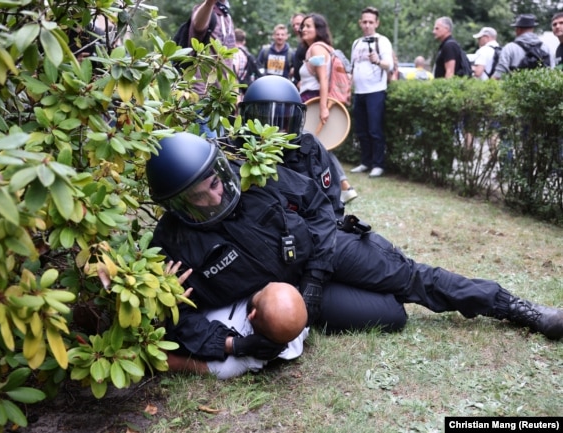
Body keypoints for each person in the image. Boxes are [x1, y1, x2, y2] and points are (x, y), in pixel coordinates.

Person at [146, 132, 563, 374]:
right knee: (391, 317)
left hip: (324, 254)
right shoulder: (175, 244)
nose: (215, 198)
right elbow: (179, 319)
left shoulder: (256, 177)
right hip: (285, 292)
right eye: (198, 199)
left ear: (219, 168)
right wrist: (234, 346)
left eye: (215, 184)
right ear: (177, 206)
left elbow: (320, 209)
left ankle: (517, 308)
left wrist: (313, 281)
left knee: (413, 279)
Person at [238, 75, 355, 210]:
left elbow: (331, 201)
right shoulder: (234, 150)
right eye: (265, 123)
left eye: (283, 123)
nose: (274, 133)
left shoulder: (310, 148)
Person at [166, 281, 310, 379]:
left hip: (182, 308)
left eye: (262, 291)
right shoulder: (292, 321)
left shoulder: (233, 364)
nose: (267, 283)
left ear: (252, 314)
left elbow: (169, 360)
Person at [296, 13, 358, 203]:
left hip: (314, 102)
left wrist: (323, 107)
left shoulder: (316, 49)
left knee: (316, 146)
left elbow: (323, 79)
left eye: (308, 26)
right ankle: (337, 186)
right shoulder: (323, 49)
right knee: (318, 146)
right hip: (313, 100)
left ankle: (343, 185)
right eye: (303, 26)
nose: (303, 29)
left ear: (319, 30)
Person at [349, 6, 393, 178]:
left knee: (375, 130)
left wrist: (378, 61)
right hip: (359, 92)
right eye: (364, 22)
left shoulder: (382, 41)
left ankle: (378, 164)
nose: (367, 25)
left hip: (376, 91)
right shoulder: (356, 43)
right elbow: (353, 68)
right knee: (361, 130)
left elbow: (389, 65)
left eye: (370, 22)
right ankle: (365, 162)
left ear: (377, 23)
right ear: (360, 23)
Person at [188, 0, 235, 138]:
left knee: (219, 150)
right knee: (210, 151)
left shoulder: (227, 16)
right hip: (202, 98)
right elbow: (198, 26)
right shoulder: (203, 10)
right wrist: (209, 4)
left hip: (220, 101)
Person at [493, 14, 552, 79]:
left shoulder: (509, 48)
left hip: (515, 88)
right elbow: (552, 71)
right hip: (541, 88)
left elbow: (499, 74)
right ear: (532, 28)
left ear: (518, 29)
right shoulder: (545, 47)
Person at [232, 28, 260, 102]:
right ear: (244, 41)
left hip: (235, 95)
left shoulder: (235, 53)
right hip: (244, 95)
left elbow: (234, 74)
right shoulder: (248, 54)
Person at [290, 13, 306, 86]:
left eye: (298, 24)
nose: (296, 27)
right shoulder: (301, 42)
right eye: (294, 25)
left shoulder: (311, 43)